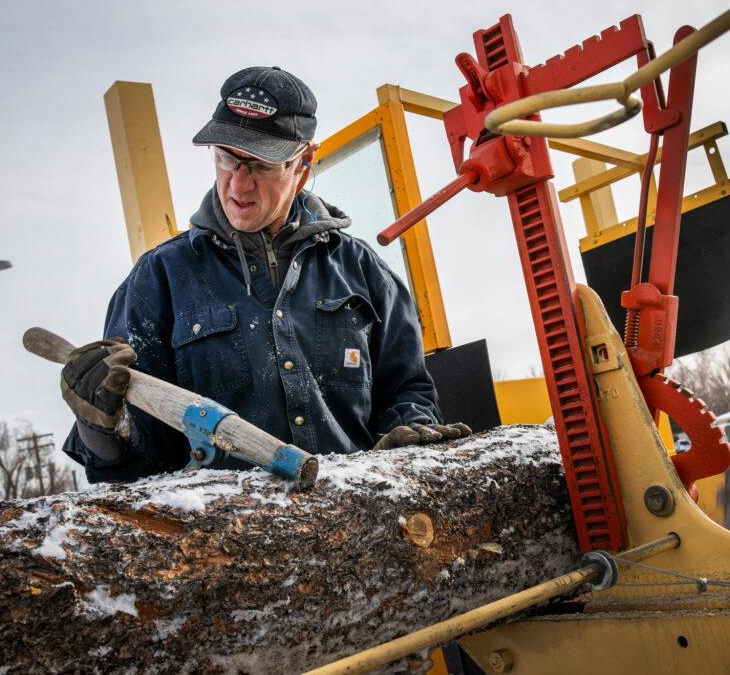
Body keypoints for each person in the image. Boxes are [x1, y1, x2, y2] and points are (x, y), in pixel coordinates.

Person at [61, 66, 469, 483]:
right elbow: (132, 465)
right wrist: (102, 427)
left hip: (357, 530)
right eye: (225, 158)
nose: (238, 184)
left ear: (303, 163)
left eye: (259, 165)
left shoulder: (364, 274)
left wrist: (406, 439)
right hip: (220, 541)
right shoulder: (158, 280)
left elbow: (408, 390)